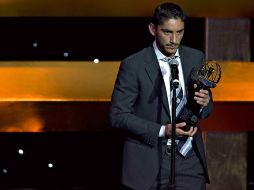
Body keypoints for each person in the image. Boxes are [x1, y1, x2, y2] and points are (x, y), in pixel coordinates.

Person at [109, 2, 213, 190]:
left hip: (190, 161)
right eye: (167, 32)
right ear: (152, 29)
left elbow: (206, 108)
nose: (174, 40)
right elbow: (117, 115)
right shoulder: (133, 65)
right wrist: (162, 130)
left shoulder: (195, 57)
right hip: (150, 163)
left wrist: (205, 103)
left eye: (180, 32)